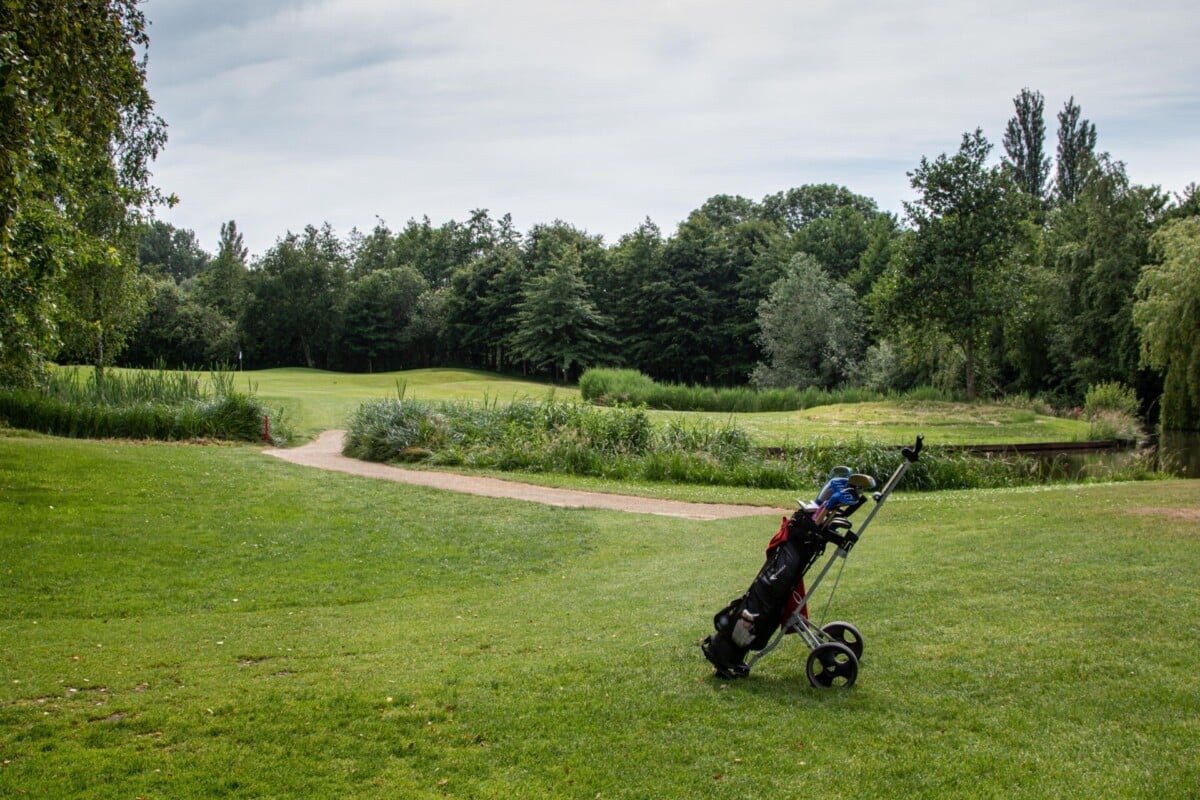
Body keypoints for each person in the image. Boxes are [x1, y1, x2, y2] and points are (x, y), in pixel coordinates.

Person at [701, 469, 868, 679]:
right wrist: (830, 502)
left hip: (801, 537)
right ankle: (726, 653)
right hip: (800, 538)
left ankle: (727, 652)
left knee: (765, 600)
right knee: (763, 602)